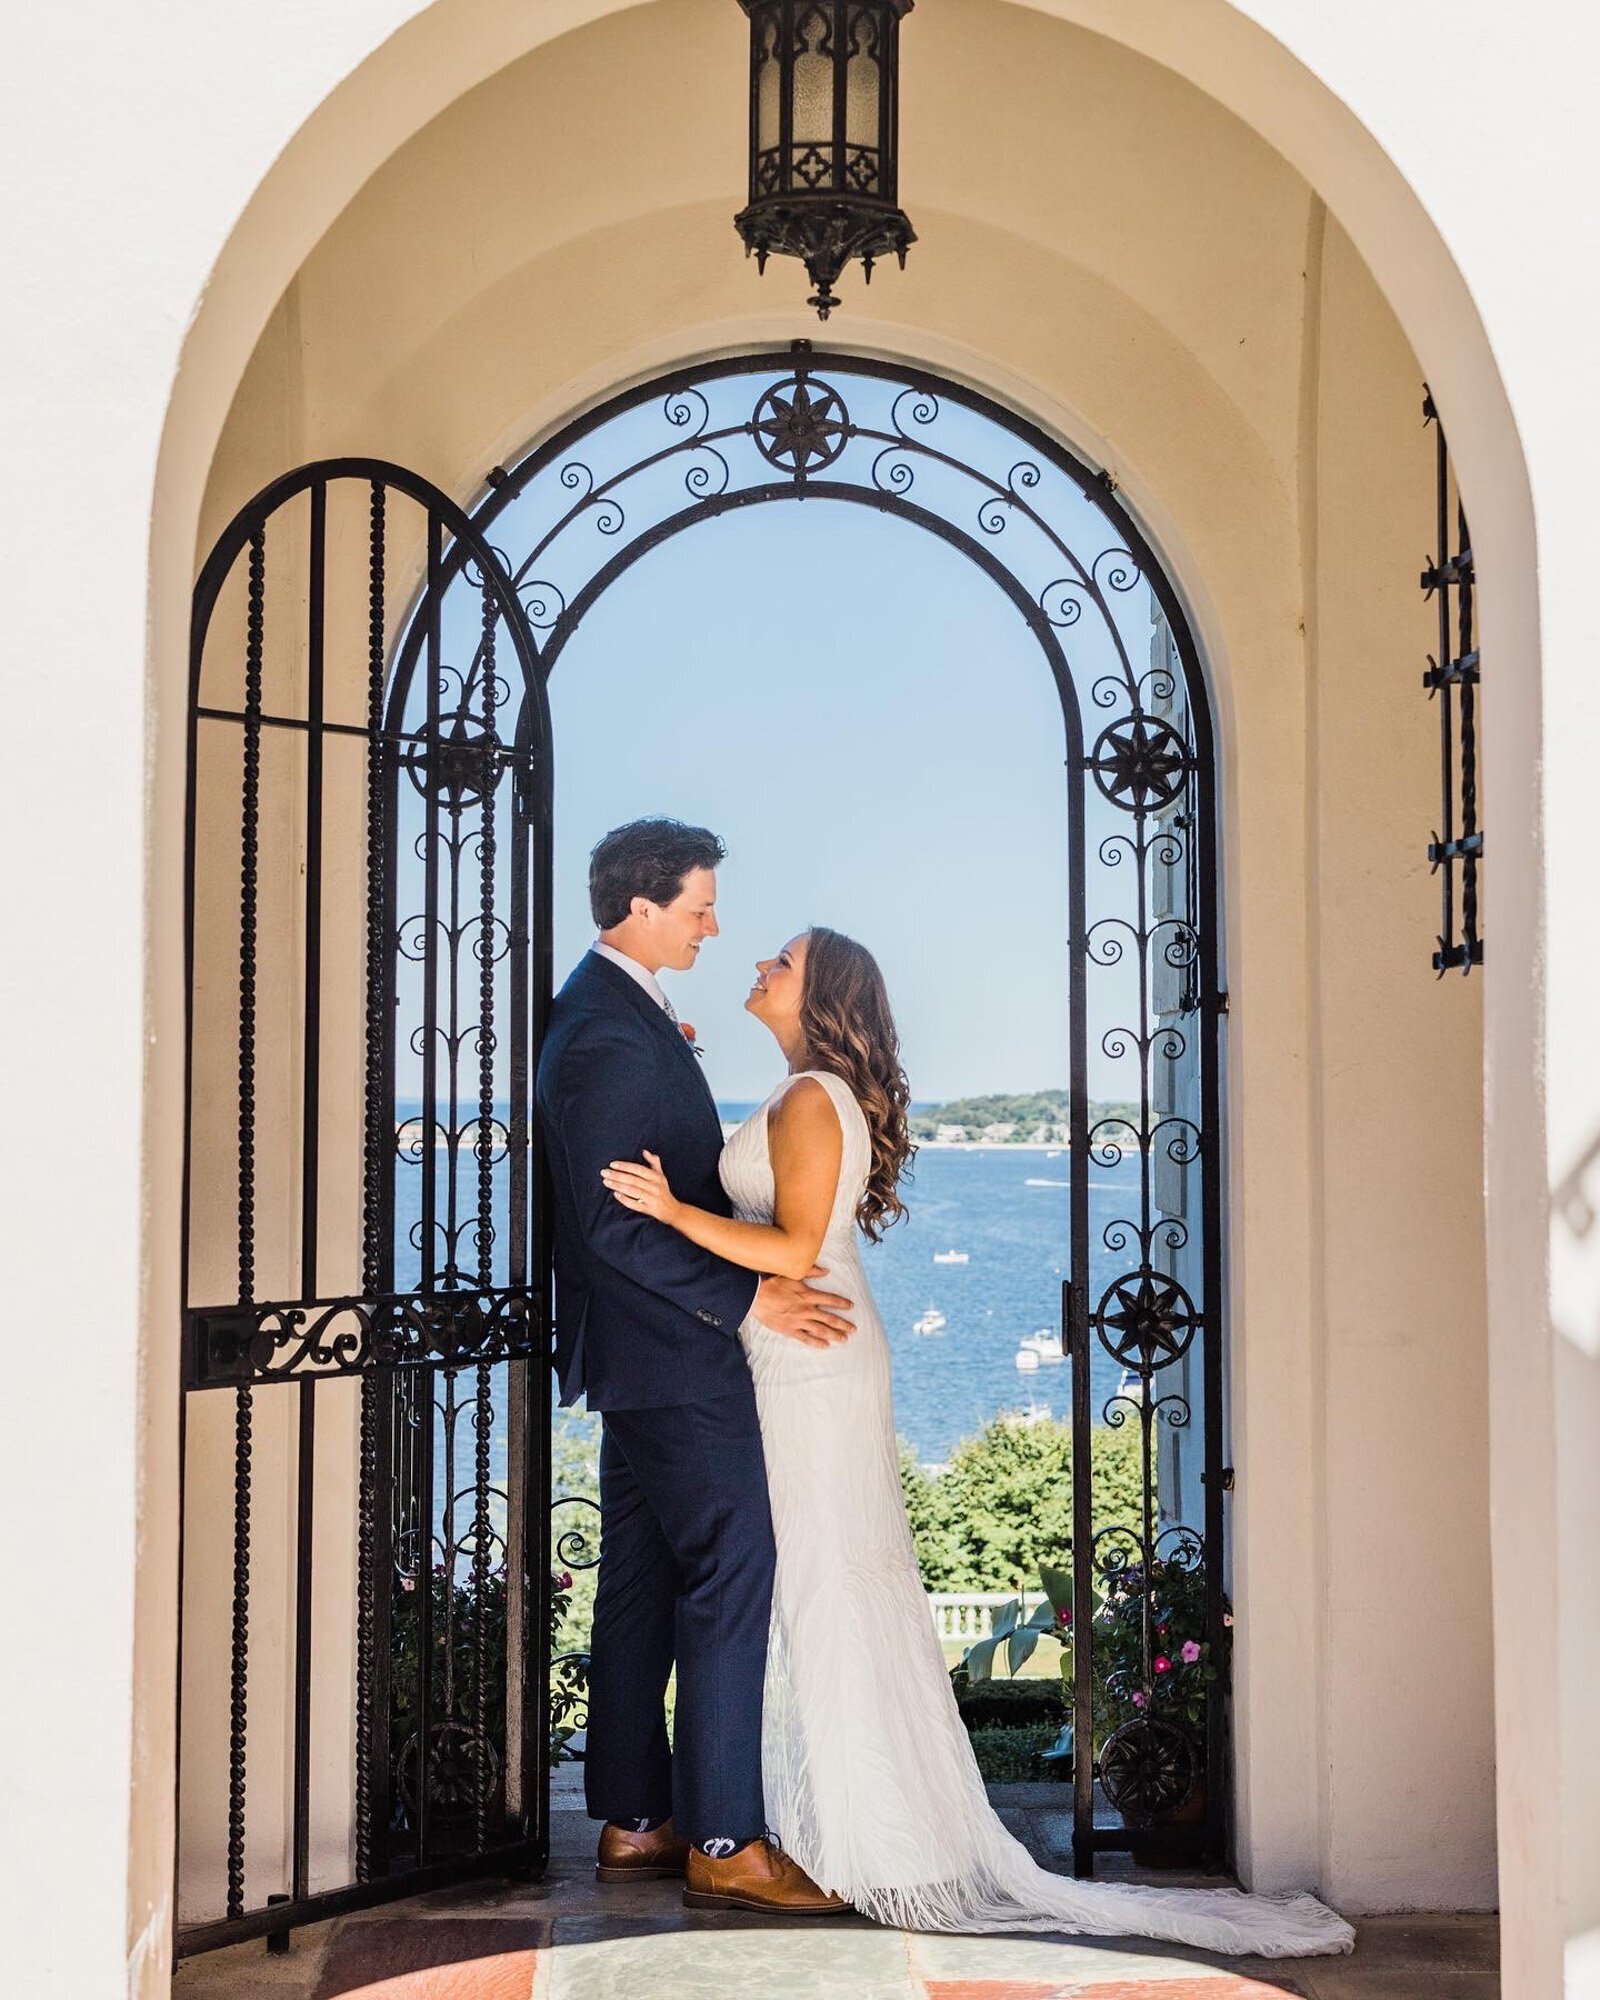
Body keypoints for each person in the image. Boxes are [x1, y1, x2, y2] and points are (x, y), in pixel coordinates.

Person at [600, 925, 1356, 1958]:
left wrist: (673, 1211)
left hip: (810, 1355)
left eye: (782, 960)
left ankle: (864, 1828)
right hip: (791, 1342)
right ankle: (806, 1811)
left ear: (822, 995)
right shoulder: (800, 1089)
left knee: (824, 1578)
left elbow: (789, 1246)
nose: (760, 965)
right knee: (805, 1580)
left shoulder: (814, 1095)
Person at [535, 819, 855, 1916]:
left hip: (644, 1357)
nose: (716, 926)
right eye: (699, 906)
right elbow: (610, 1224)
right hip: (677, 1354)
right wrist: (749, 1294)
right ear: (641, 905)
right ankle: (725, 1836)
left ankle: (635, 1818)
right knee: (734, 1568)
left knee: (640, 1583)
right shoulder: (605, 1034)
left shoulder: (610, 1012)